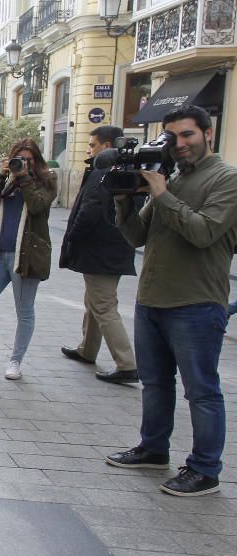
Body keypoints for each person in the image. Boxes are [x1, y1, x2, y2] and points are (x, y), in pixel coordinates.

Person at [104, 105, 237, 497]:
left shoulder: (226, 180)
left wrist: (161, 192)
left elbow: (203, 232)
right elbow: (136, 237)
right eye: (173, 137)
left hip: (196, 301)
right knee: (156, 383)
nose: (178, 145)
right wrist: (125, 198)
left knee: (201, 389)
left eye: (187, 135)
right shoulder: (172, 179)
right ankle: (153, 448)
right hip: (152, 299)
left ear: (208, 135)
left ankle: (205, 469)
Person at [58, 125, 138, 384]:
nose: (89, 150)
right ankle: (87, 349)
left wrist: (72, 238)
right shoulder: (128, 171)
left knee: (103, 305)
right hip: (115, 247)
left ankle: (126, 363)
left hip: (99, 249)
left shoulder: (103, 173)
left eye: (92, 145)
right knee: (94, 301)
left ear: (106, 145)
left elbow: (89, 211)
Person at [0, 139, 58, 380]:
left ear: (37, 161)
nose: (23, 164)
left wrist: (24, 178)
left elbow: (37, 205)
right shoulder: (7, 180)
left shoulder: (47, 181)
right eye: (19, 159)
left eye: (29, 160)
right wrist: (2, 176)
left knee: (24, 311)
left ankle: (15, 361)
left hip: (27, 256)